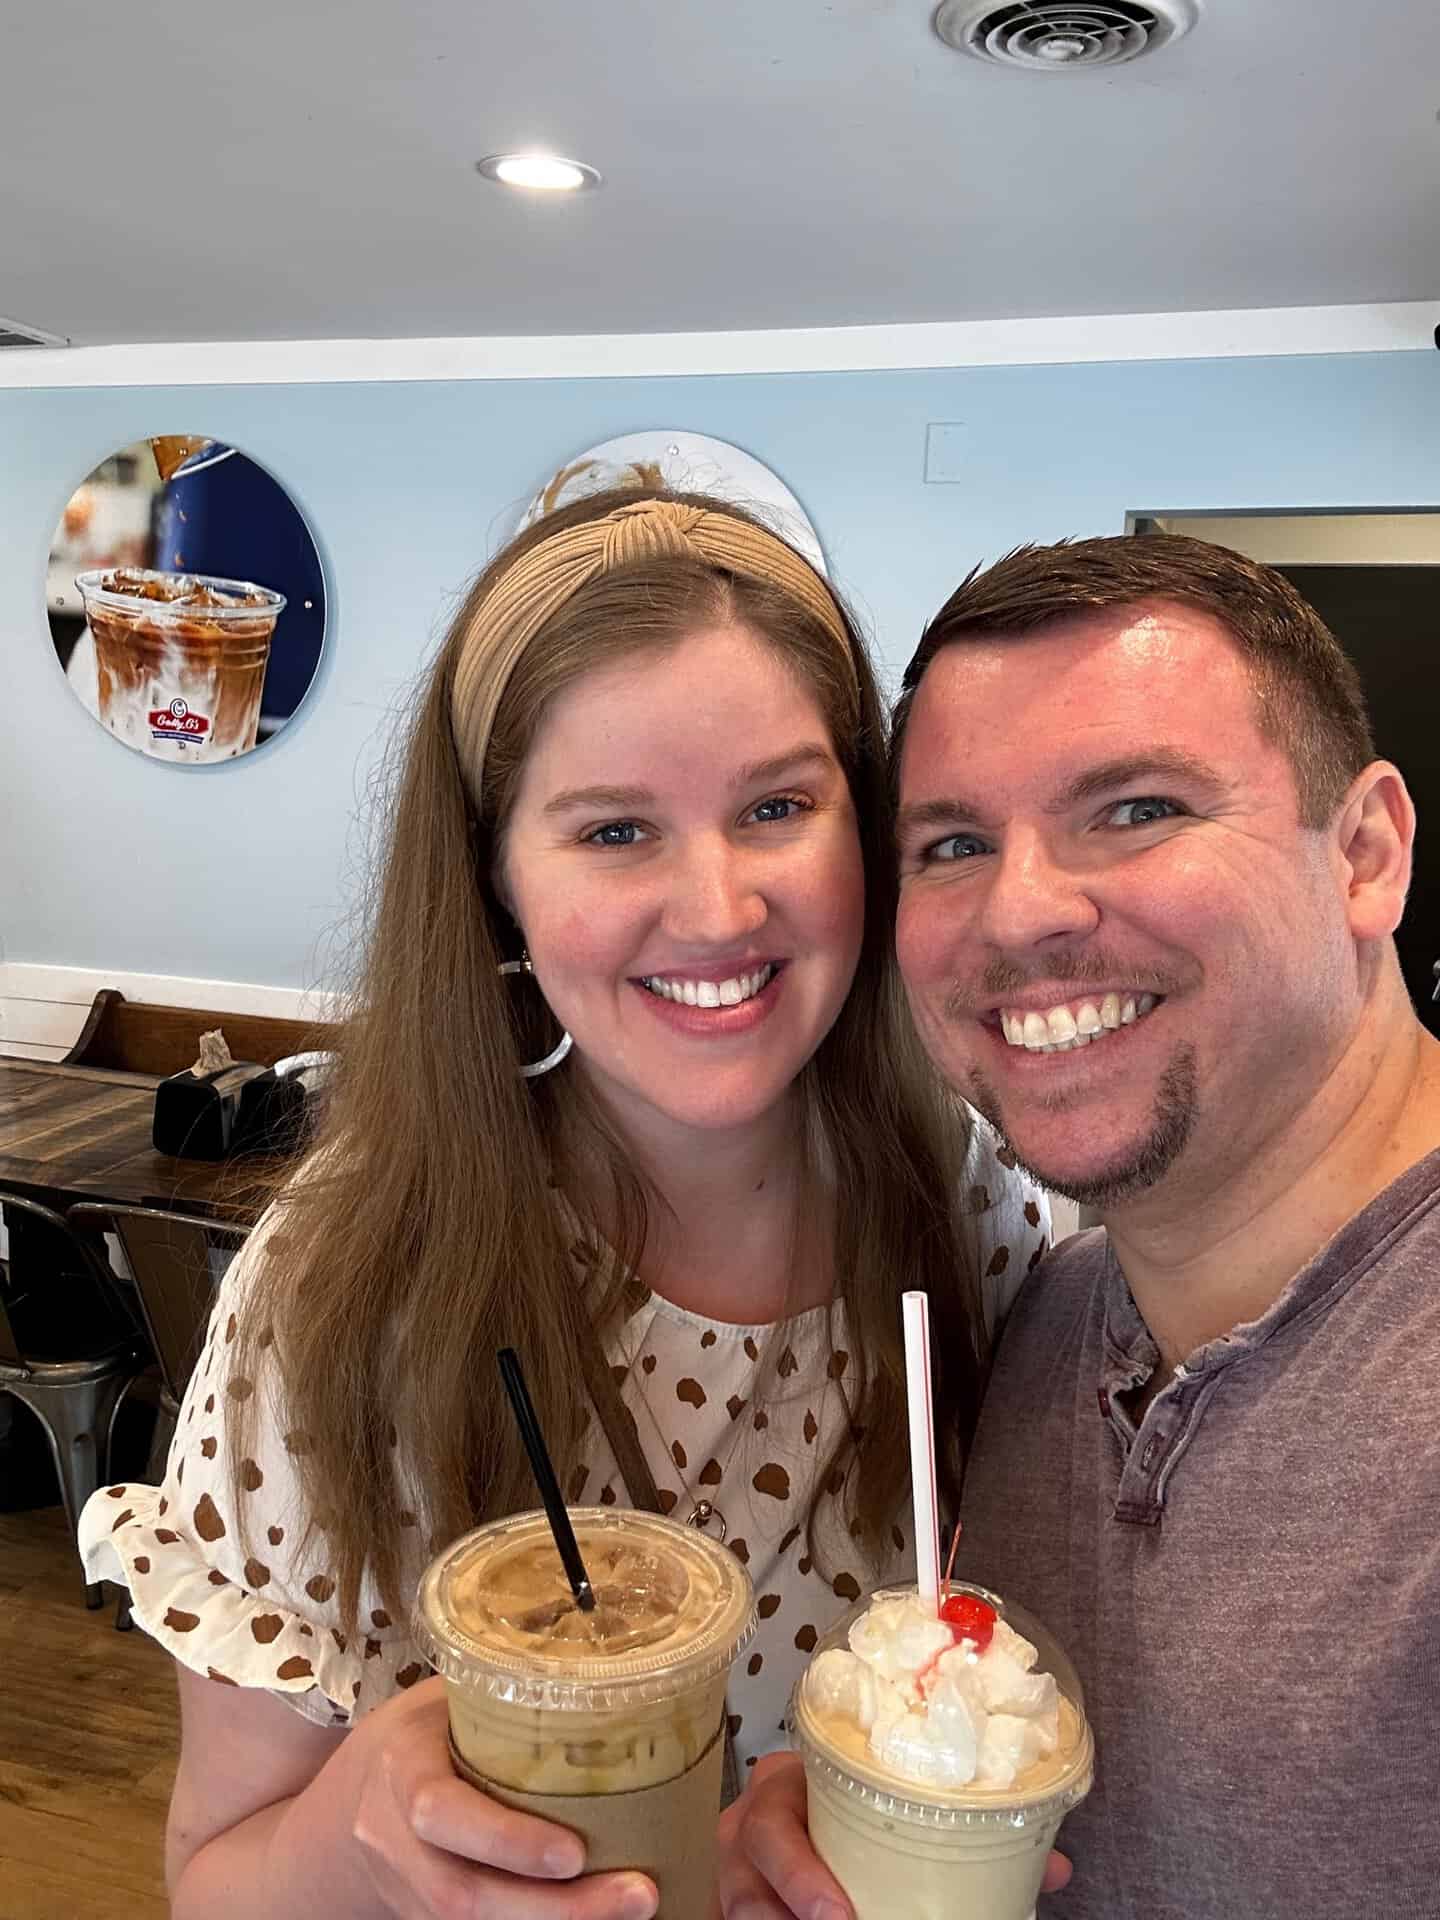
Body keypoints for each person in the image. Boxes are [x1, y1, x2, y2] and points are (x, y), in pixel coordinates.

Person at [79, 488, 1049, 1920]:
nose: (718, 911)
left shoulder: (977, 1215)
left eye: (778, 806)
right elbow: (213, 1882)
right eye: (612, 832)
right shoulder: (337, 1289)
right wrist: (359, 1829)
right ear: (497, 880)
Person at [717, 532, 1440, 1920]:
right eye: (955, 844)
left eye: (1138, 808)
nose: (1022, 908)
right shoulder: (1047, 1325)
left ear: (1365, 852)